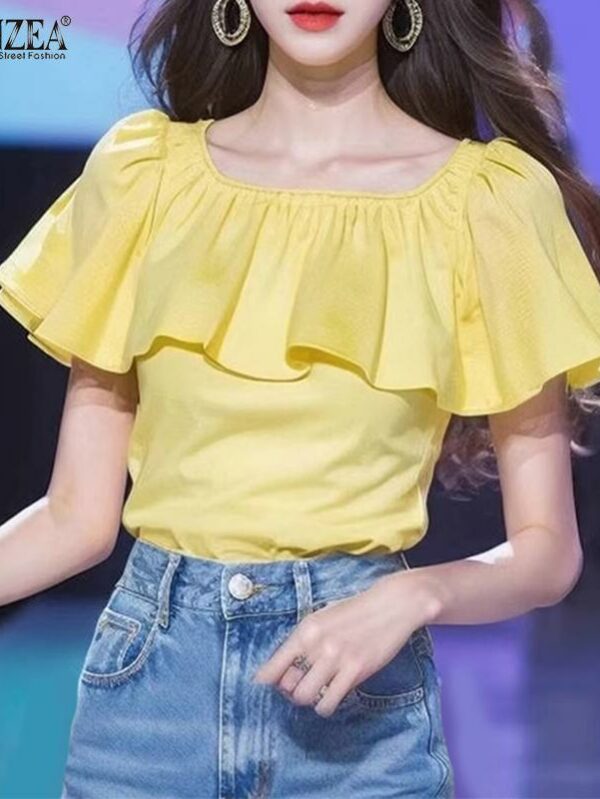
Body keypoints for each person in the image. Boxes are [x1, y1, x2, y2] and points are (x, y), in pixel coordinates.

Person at [1, 0, 600, 796]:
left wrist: (413, 594)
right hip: (146, 706)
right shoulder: (143, 177)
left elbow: (547, 549)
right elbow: (75, 519)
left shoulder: (489, 204)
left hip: (358, 717)